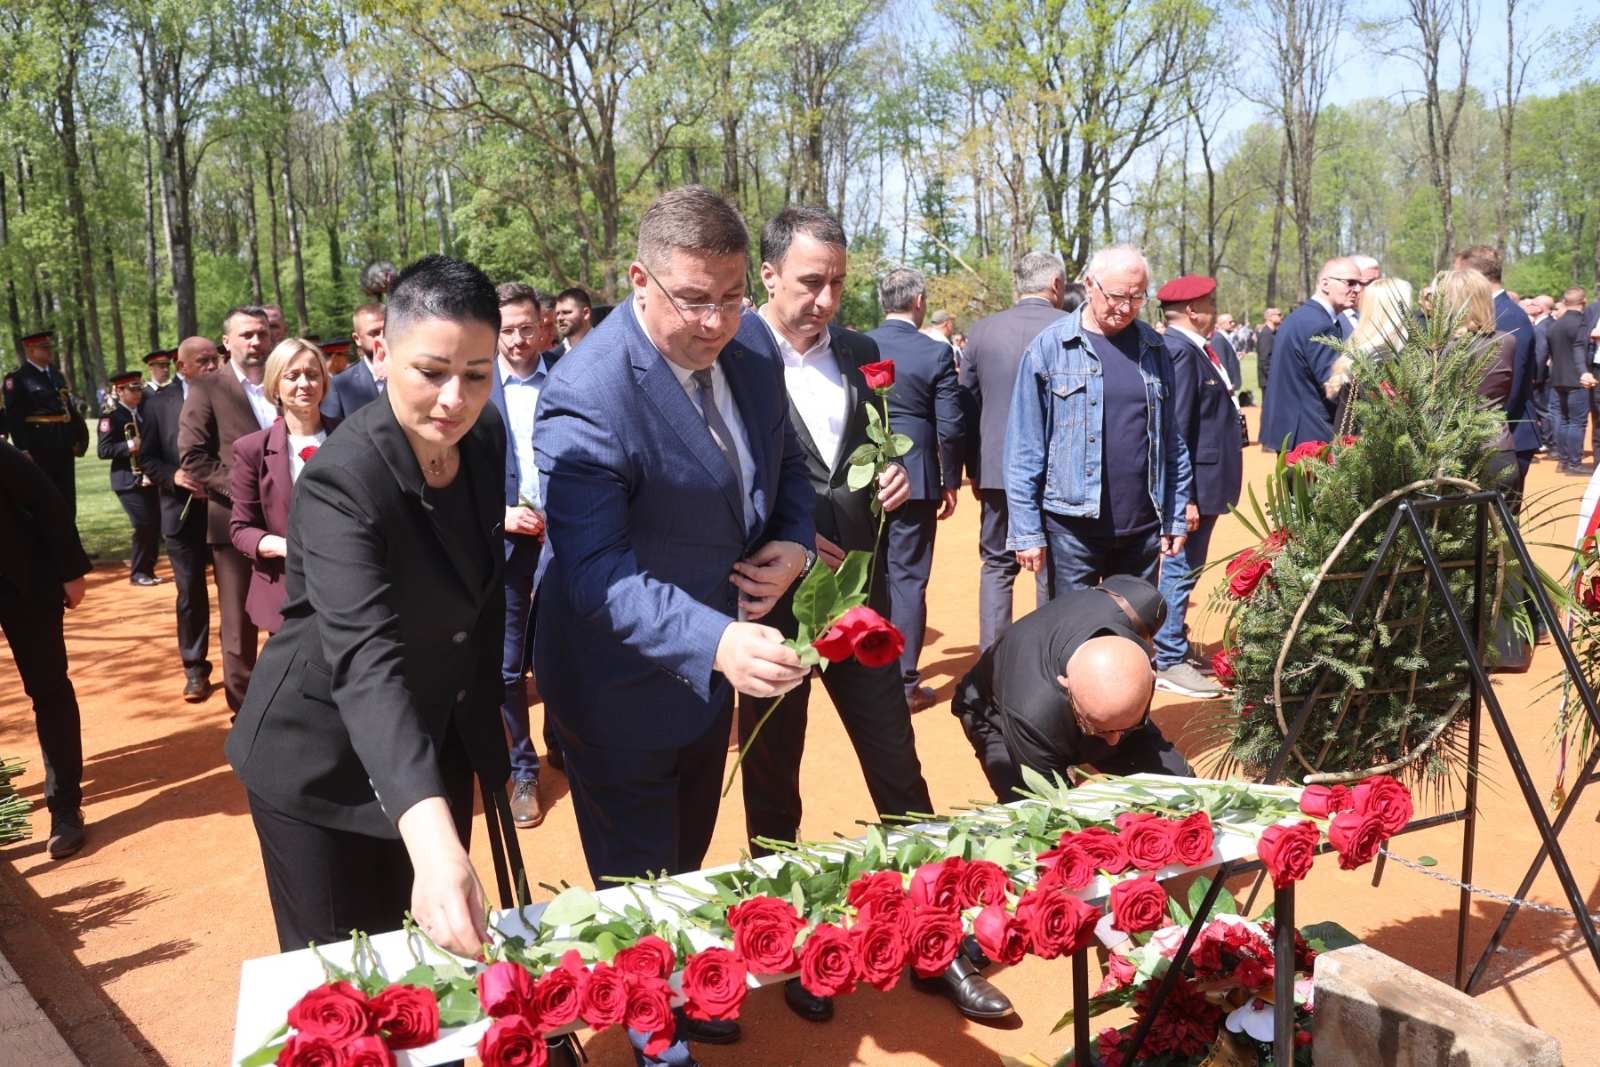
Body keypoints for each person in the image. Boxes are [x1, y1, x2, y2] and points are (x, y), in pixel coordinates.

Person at [534, 186, 815, 1065]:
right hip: (617, 686)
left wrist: (797, 545)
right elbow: (595, 571)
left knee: (684, 860)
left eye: (733, 298)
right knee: (636, 885)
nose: (718, 322)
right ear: (638, 282)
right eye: (695, 300)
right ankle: (658, 1043)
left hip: (709, 679)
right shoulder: (587, 391)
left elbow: (793, 469)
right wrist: (718, 640)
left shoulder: (756, 351)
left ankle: (684, 990)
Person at [226, 255, 512, 968]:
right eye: (432, 371)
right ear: (382, 351)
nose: (455, 398)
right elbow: (364, 658)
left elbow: (474, 600)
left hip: (427, 741)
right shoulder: (339, 480)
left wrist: (486, 742)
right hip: (317, 762)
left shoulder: (482, 440)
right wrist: (434, 839)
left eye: (477, 374)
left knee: (438, 967)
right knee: (349, 989)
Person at [1005, 244, 1191, 596]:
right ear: (1090, 285)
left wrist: (1175, 514)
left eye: (1137, 298)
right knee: (1071, 640)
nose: (1125, 308)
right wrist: (1027, 532)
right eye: (1118, 295)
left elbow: (1171, 439)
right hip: (1071, 533)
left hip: (1142, 531)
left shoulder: (1154, 348)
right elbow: (1024, 449)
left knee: (1131, 639)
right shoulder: (1050, 348)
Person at [952, 576, 1189, 803]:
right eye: (1101, 730)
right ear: (1066, 685)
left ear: (1151, 674)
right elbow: (1055, 805)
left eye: (1127, 727)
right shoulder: (1031, 716)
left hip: (1096, 710)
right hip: (993, 715)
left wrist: (1115, 726)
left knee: (1182, 789)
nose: (1114, 741)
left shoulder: (1139, 606)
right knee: (1036, 815)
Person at [864, 267, 965, 710]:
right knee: (908, 578)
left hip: (862, 474)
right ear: (920, 301)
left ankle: (867, 674)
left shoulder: (857, 347)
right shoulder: (935, 352)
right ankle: (903, 682)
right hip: (919, 477)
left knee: (870, 574)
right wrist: (950, 479)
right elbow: (951, 424)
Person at [959, 252, 1068, 649]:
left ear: (1016, 284)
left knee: (997, 566)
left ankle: (994, 662)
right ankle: (1047, 658)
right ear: (1056, 285)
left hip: (997, 471)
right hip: (1060, 473)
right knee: (1053, 568)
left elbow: (965, 407)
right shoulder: (1069, 327)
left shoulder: (983, 330)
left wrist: (973, 467)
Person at [180, 306, 278, 711]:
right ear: (227, 342)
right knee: (239, 629)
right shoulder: (208, 388)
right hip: (235, 523)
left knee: (290, 617)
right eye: (246, 335)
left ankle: (288, 709)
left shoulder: (285, 380)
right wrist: (246, 493)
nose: (255, 342)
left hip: (293, 522)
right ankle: (246, 714)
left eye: (261, 334)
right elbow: (194, 457)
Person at [1, 436, 92, 859]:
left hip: (24, 584)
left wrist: (71, 571)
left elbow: (46, 500)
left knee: (49, 690)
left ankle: (66, 808)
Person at [1154, 276, 1242, 699]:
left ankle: (1175, 643)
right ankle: (1167, 656)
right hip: (1194, 487)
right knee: (1180, 568)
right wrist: (1182, 496)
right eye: (1210, 302)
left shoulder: (1195, 349)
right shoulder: (1179, 351)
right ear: (1192, 310)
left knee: (1187, 568)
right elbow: (1177, 430)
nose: (1213, 308)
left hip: (1207, 481)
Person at [488, 283, 554, 828]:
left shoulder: (571, 377)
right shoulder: (473, 386)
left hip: (569, 540)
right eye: (506, 329)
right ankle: (523, 770)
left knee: (570, 654)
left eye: (525, 327)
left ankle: (572, 748)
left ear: (543, 324)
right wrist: (500, 512)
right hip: (504, 540)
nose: (517, 339)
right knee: (508, 668)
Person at [229, 339, 336, 633]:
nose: (305, 384)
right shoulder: (251, 449)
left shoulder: (352, 436)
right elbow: (241, 529)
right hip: (286, 594)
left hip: (347, 588)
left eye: (313, 375)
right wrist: (286, 548)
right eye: (292, 376)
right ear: (275, 385)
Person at [139, 336, 221, 702]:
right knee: (190, 593)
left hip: (225, 510)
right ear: (182, 367)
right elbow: (148, 458)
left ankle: (248, 667)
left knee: (238, 592)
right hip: (180, 513)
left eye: (214, 358)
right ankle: (194, 668)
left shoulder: (232, 394)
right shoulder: (157, 405)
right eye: (202, 360)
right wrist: (173, 477)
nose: (211, 365)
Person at [1453, 245, 1539, 489]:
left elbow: (1512, 385)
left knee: (1501, 523)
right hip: (1491, 437)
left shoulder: (1508, 316)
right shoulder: (1495, 311)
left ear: (1475, 278)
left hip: (1506, 437)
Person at [1259, 258, 1366, 452]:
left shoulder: (1302, 317)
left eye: (1360, 284)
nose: (1357, 289)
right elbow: (1336, 387)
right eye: (1350, 282)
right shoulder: (1319, 324)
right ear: (1325, 284)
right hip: (1310, 438)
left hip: (1293, 432)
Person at [3, 330, 85, 513]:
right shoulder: (17, 379)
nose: (50, 351)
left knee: (67, 499)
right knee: (46, 499)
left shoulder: (56, 374)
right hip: (39, 446)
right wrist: (23, 449)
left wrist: (76, 436)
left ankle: (69, 539)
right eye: (44, 348)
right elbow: (14, 418)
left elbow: (66, 408)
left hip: (63, 444)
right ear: (30, 351)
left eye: (50, 347)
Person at [96, 371, 164, 586]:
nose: (137, 394)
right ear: (119, 391)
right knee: (143, 524)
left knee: (155, 524)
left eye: (139, 389)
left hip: (149, 476)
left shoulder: (145, 411)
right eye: (132, 389)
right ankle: (138, 572)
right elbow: (103, 450)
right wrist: (130, 445)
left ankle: (148, 570)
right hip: (127, 479)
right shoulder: (111, 416)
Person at [1546, 289, 1592, 475]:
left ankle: (1563, 461)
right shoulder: (1581, 324)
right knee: (1577, 423)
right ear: (1584, 301)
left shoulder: (1555, 325)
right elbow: (1583, 350)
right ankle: (1574, 463)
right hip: (1577, 378)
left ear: (1565, 302)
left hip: (1558, 378)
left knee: (1564, 420)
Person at [1256, 306, 1282, 422]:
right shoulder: (1266, 334)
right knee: (1269, 410)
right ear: (1270, 317)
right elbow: (1264, 360)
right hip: (1268, 380)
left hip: (1271, 379)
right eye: (1279, 314)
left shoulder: (1273, 333)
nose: (1281, 317)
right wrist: (1273, 378)